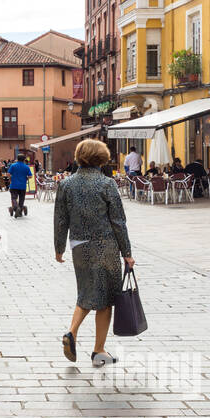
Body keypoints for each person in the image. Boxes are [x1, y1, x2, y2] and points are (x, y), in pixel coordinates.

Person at [54, 138, 135, 368]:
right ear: (101, 158)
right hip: (105, 245)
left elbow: (60, 220)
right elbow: (118, 221)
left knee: (86, 291)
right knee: (106, 299)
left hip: (79, 246)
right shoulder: (106, 184)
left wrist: (59, 248)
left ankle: (72, 332)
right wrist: (126, 252)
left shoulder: (66, 184)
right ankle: (99, 350)